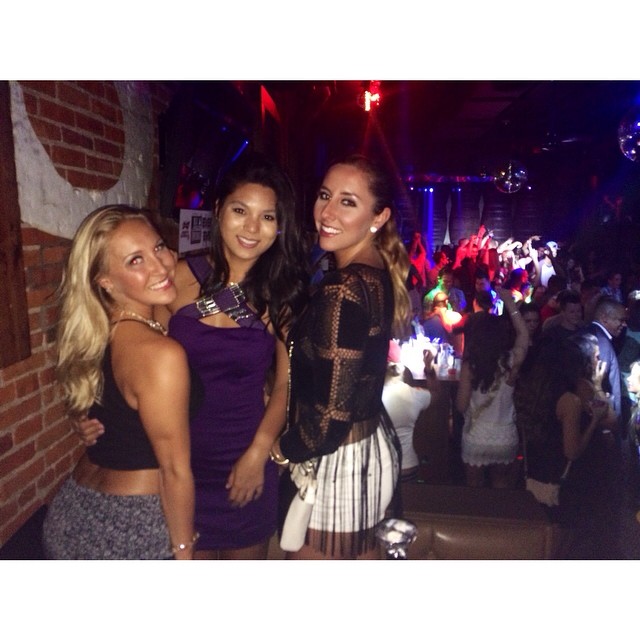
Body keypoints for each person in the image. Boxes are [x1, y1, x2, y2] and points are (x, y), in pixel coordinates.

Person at [76, 153, 310, 559]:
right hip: (176, 462)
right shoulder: (173, 280)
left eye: (267, 217)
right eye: (240, 210)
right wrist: (93, 411)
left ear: (279, 226)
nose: (251, 228)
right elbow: (128, 348)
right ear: (218, 210)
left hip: (245, 454)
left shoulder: (282, 295)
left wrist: (260, 452)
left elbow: (287, 383)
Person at [270, 154, 411, 560]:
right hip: (364, 447)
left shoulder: (344, 287)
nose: (327, 213)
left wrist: (278, 450)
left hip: (340, 460)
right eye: (324, 196)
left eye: (347, 202)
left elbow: (328, 422)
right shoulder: (372, 271)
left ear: (379, 217)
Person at [42, 205, 199, 559]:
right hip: (131, 523)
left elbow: (102, 403)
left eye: (159, 247)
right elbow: (174, 471)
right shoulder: (160, 354)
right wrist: (184, 551)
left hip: (72, 509)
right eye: (135, 260)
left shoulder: (90, 333)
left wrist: (78, 421)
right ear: (106, 281)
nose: (161, 266)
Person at [515, 334, 617, 555]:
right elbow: (572, 451)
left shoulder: (532, 392)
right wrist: (593, 422)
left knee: (538, 539)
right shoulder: (570, 400)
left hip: (534, 470)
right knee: (560, 542)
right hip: (560, 478)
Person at [455, 287, 529, 488]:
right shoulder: (511, 361)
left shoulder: (470, 365)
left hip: (476, 435)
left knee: (474, 489)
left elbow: (461, 406)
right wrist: (510, 304)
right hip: (505, 436)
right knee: (500, 488)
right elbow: (524, 336)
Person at [382, 341, 434, 483]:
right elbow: (436, 394)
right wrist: (428, 367)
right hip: (408, 467)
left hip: (380, 471)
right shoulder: (414, 395)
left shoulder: (369, 397)